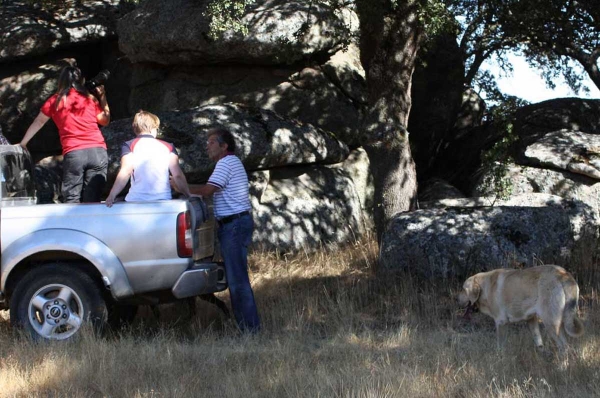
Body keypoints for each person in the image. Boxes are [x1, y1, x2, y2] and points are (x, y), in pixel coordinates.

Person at [189, 128, 260, 333]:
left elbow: (206, 191)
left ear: (224, 145)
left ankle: (250, 329)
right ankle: (246, 326)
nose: (207, 146)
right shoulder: (232, 162)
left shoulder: (226, 162)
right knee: (236, 277)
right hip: (235, 224)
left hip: (234, 225)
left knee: (237, 280)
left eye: (211, 142)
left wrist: (180, 186)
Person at [20, 66, 110, 203]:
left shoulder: (55, 101)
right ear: (82, 80)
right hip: (97, 151)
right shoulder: (90, 98)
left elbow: (38, 122)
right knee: (93, 199)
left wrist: (23, 143)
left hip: (74, 153)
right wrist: (103, 97)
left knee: (72, 198)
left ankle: (72, 224)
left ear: (60, 82)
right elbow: (105, 120)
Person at [105, 110, 191, 207]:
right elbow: (177, 175)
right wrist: (188, 194)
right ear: (153, 128)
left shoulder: (129, 145)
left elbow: (126, 171)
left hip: (135, 200)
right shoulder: (168, 146)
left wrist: (112, 195)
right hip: (163, 200)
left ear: (135, 129)